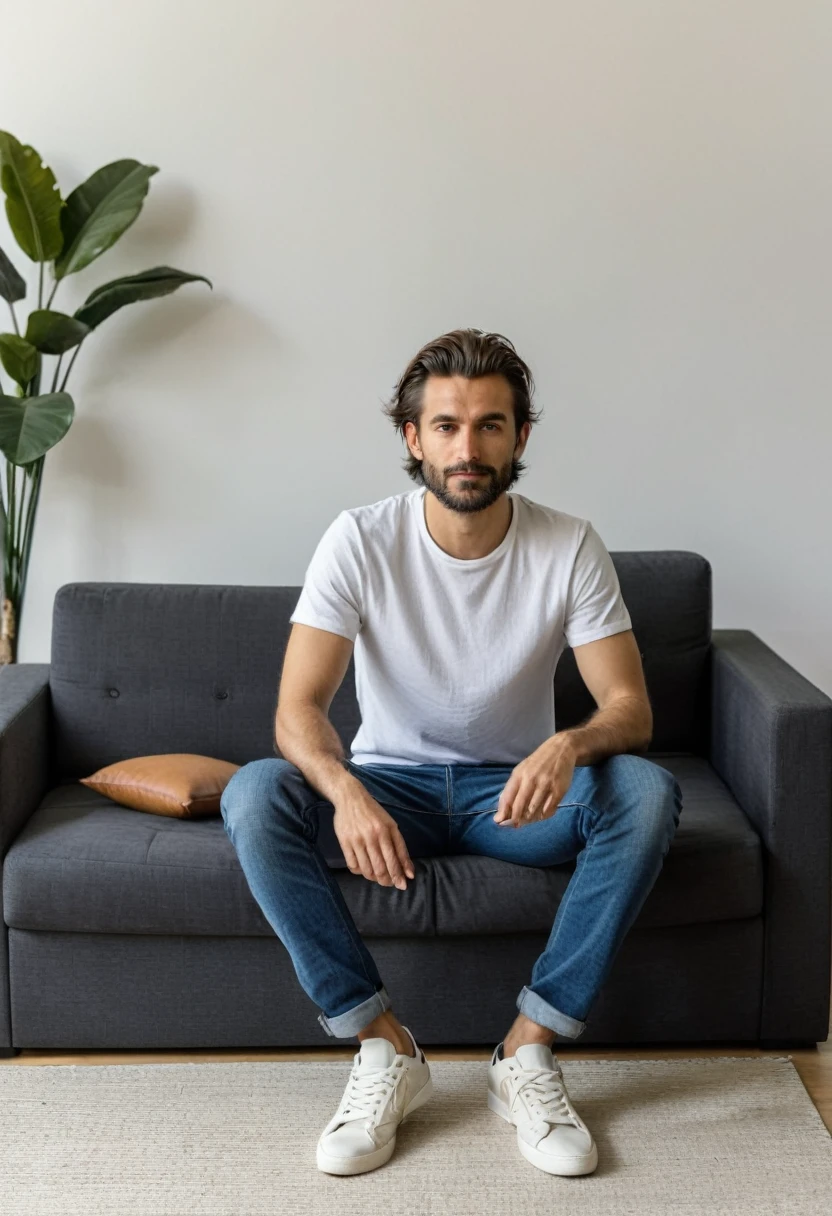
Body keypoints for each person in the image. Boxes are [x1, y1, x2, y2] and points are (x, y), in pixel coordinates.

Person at [220, 327, 683, 1179]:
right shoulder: (359, 539)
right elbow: (296, 712)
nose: (467, 449)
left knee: (646, 792)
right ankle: (383, 1047)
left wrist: (570, 745)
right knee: (254, 795)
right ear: (412, 437)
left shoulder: (569, 543)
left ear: (521, 437)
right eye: (445, 426)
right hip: (389, 792)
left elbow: (631, 710)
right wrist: (347, 794)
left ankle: (527, 1053)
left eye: (489, 426)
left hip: (518, 803)